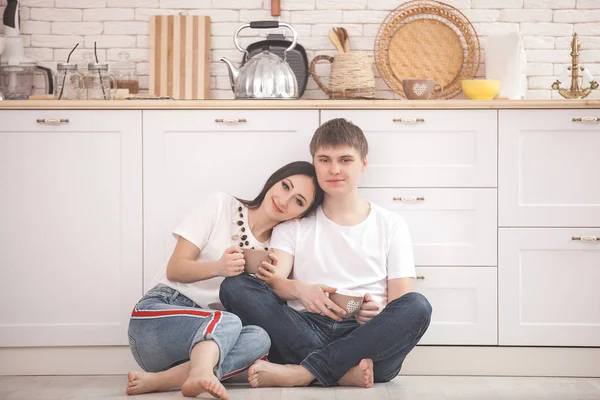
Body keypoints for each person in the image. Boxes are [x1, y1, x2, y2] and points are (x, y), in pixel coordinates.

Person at [219, 118, 433, 388]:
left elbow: (401, 302)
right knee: (235, 286)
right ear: (314, 163)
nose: (334, 170)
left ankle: (304, 372)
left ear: (363, 164)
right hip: (303, 329)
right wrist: (301, 290)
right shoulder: (294, 224)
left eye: (345, 160)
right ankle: (340, 372)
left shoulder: (391, 224)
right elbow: (273, 281)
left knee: (418, 306)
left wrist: (373, 315)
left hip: (366, 341)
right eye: (324, 160)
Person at [126, 161, 324, 399]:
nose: (284, 200)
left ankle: (164, 380)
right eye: (285, 186)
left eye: (298, 201)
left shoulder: (279, 252)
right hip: (158, 317)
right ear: (273, 181)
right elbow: (175, 269)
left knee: (260, 339)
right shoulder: (221, 205)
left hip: (206, 342)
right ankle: (201, 370)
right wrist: (219, 268)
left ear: (302, 214)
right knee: (229, 321)